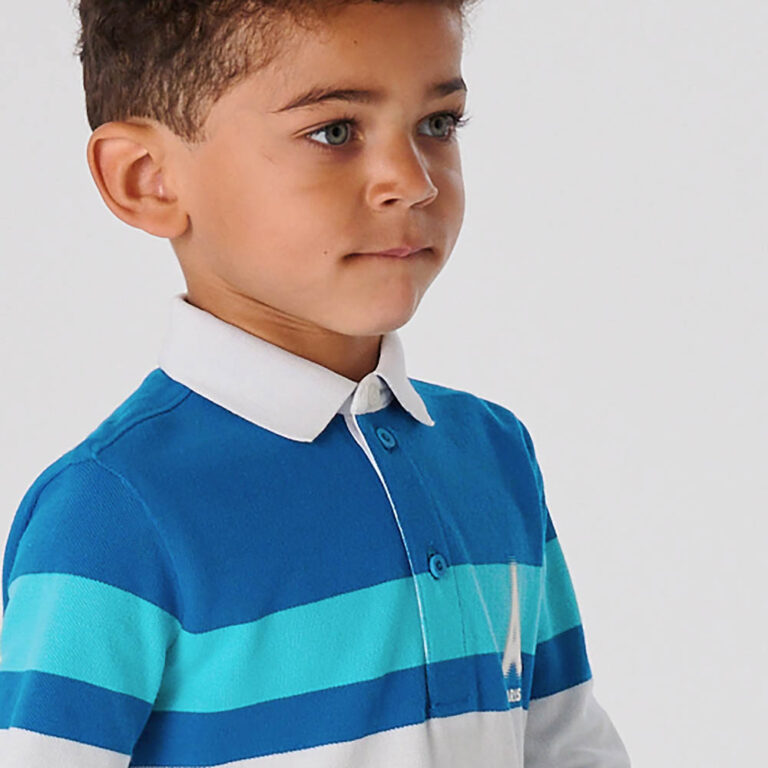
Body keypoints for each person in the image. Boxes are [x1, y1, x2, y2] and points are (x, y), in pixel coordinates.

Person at [0, 1, 631, 766]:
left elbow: (567, 745)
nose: (413, 183)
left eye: (438, 123)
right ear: (148, 179)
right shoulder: (109, 514)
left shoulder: (492, 454)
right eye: (335, 131)